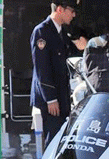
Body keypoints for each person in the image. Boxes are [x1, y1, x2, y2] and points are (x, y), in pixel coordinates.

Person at [30, 0, 87, 148]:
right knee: (53, 138)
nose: (73, 15)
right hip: (50, 96)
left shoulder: (62, 32)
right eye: (71, 10)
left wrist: (81, 47)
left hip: (62, 93)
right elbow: (42, 68)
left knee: (62, 136)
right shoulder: (42, 31)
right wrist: (50, 99)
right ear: (60, 9)